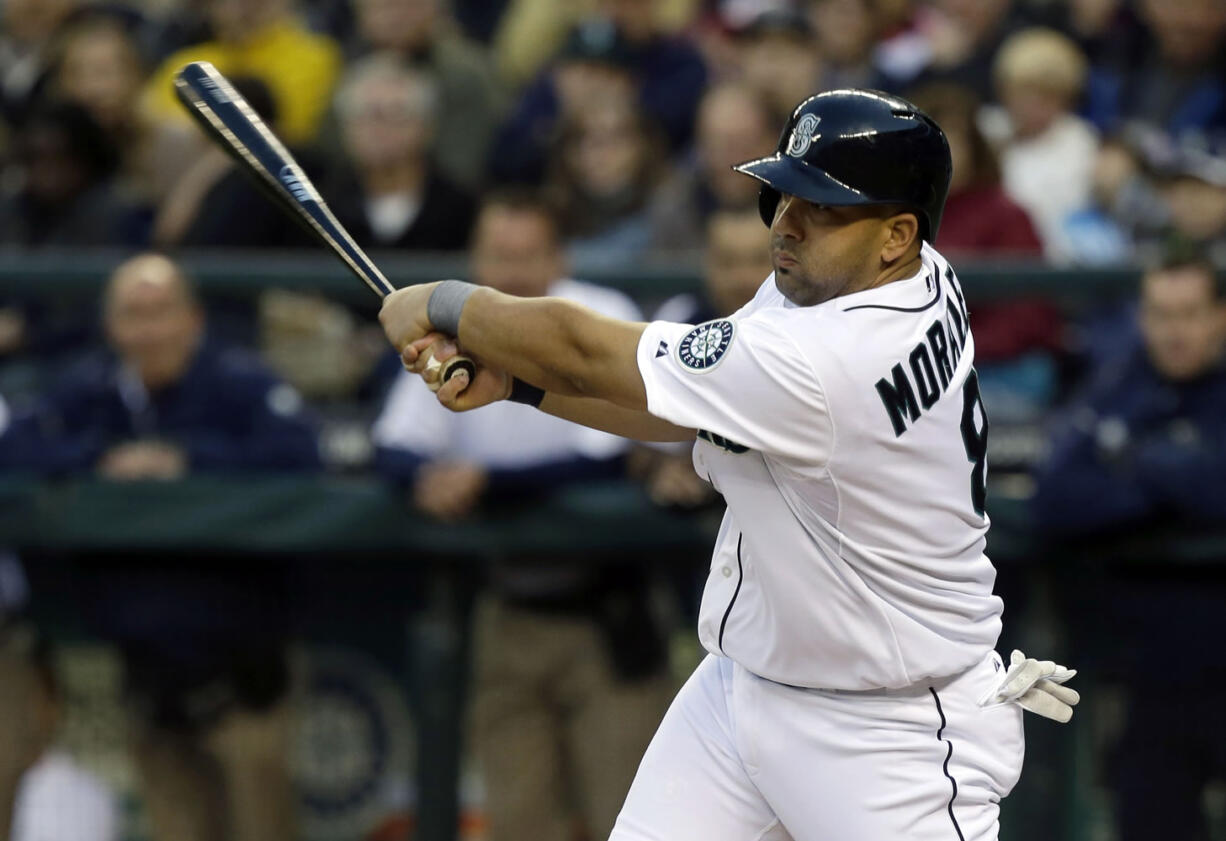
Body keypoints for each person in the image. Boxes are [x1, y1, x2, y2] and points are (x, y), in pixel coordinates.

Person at [379, 88, 1078, 840]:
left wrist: (448, 302)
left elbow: (590, 351)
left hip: (888, 731)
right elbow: (686, 406)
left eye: (823, 207)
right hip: (744, 690)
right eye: (784, 194)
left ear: (896, 234)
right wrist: (518, 385)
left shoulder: (830, 357)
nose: (787, 223)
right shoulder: (897, 274)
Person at [372, 190, 672, 841]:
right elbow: (393, 444)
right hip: (508, 609)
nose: (509, 271)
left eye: (526, 254)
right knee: (515, 821)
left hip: (606, 606)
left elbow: (610, 458)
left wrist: (484, 483)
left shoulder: (596, 313)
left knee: (629, 818)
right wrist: (426, 479)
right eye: (497, 255)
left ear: (556, 256)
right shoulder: (455, 330)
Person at [1032, 253, 1226, 841]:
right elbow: (1056, 497)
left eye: (1191, 313)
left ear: (1220, 316)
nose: (1175, 330)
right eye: (1162, 314)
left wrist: (1134, 464)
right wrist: (1172, 476)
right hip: (1149, 673)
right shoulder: (1121, 382)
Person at [325, 53, 476, 252]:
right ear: (346, 127)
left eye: (397, 115)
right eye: (369, 114)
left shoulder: (464, 210)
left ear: (427, 127)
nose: (380, 129)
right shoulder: (322, 207)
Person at [142, 0, 341, 146]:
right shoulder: (187, 60)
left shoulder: (313, 55)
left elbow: (286, 130)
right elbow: (149, 127)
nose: (237, 8)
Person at [647, 82, 779, 254]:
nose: (732, 160)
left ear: (772, 142)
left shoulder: (799, 207)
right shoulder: (674, 208)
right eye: (718, 146)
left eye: (744, 144)